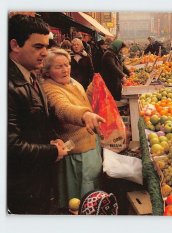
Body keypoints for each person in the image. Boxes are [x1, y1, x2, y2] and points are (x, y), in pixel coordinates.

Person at [8, 14, 68, 214]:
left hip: (37, 183)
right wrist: (51, 152)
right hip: (21, 190)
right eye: (38, 47)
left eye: (46, 46)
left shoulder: (32, 76)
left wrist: (53, 140)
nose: (45, 53)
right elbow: (11, 146)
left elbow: (39, 122)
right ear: (15, 45)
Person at [41, 48, 106, 211]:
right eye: (58, 67)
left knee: (92, 188)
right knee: (78, 198)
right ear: (47, 71)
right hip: (76, 153)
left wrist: (93, 89)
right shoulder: (50, 88)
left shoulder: (71, 81)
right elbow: (63, 108)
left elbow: (83, 101)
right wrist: (85, 115)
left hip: (90, 145)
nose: (65, 69)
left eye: (67, 64)